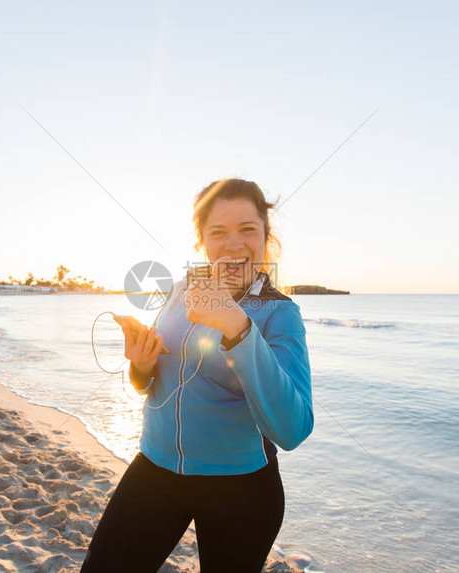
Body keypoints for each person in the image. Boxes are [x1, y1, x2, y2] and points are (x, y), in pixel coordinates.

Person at [81, 178, 313, 572]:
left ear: (265, 235)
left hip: (241, 489)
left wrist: (238, 328)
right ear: (201, 240)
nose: (234, 244)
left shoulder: (280, 312)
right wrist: (141, 365)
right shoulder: (179, 290)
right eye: (218, 232)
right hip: (154, 471)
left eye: (247, 230)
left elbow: (293, 429)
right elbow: (151, 385)